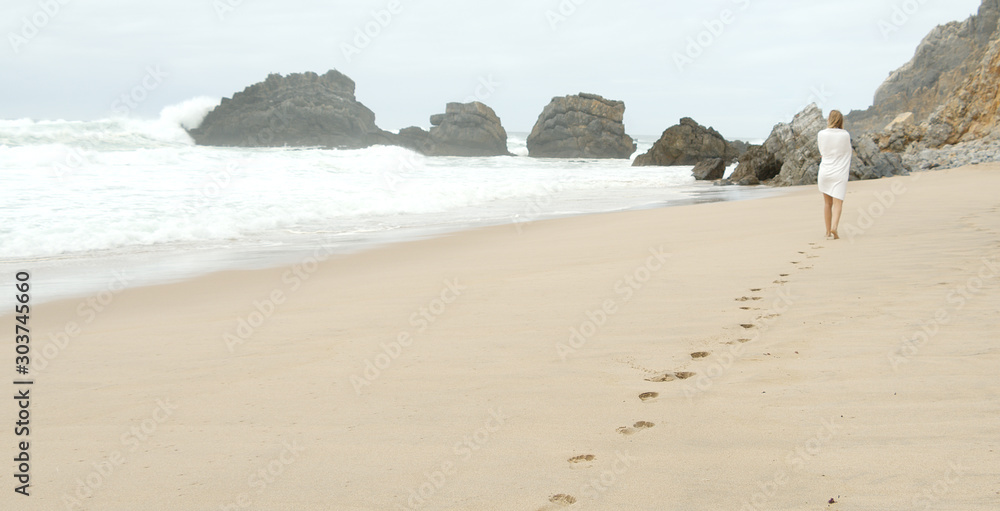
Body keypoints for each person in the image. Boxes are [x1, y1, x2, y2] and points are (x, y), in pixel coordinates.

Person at [817, 110, 852, 240]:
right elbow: (848, 151)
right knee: (838, 203)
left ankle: (827, 231)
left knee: (827, 203)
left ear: (829, 119)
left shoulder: (821, 134)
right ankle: (834, 227)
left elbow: (822, 152)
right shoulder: (845, 135)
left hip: (825, 172)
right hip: (839, 173)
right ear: (840, 120)